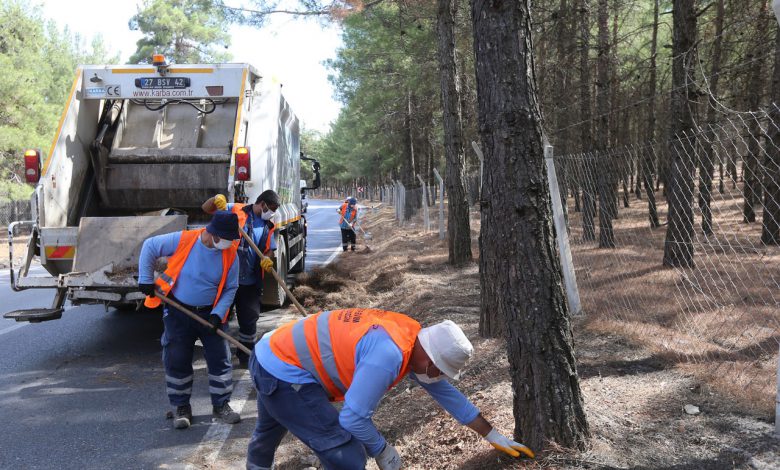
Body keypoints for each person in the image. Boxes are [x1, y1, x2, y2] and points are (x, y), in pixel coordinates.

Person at [245, 308, 534, 470]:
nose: (436, 376)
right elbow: (352, 418)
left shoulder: (410, 337)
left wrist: (493, 434)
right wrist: (381, 450)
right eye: (438, 370)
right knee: (350, 457)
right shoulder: (390, 355)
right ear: (431, 359)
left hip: (272, 350)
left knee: (267, 435)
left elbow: (447, 394)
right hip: (284, 371)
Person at [137, 211, 242, 430]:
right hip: (178, 311)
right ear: (213, 233)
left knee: (220, 359)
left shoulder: (231, 254)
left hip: (210, 314)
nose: (229, 243)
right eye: (226, 238)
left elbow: (231, 287)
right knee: (177, 358)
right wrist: (145, 279)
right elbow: (149, 246)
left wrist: (218, 314)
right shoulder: (184, 240)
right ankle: (181, 407)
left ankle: (221, 404)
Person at [202, 191, 279, 366]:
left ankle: (246, 357)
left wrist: (267, 259)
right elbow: (206, 208)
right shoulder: (233, 209)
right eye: (271, 208)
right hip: (226, 280)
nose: (272, 212)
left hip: (250, 282)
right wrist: (215, 199)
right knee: (219, 318)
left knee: (249, 320)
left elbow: (269, 249)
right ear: (262, 203)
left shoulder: (268, 225)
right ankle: (218, 357)